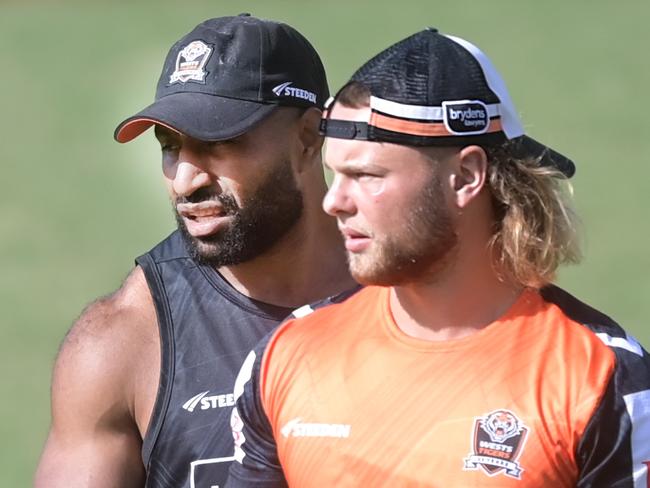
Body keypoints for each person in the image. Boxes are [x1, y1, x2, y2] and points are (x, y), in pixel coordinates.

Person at [227, 28, 650, 487]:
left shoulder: (602, 378)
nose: (335, 201)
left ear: (466, 176)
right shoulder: (286, 355)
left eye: (366, 175)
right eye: (334, 174)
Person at [35, 14, 356, 488]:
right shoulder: (122, 343)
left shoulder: (413, 292)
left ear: (308, 138)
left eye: (219, 144)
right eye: (170, 147)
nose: (185, 181)